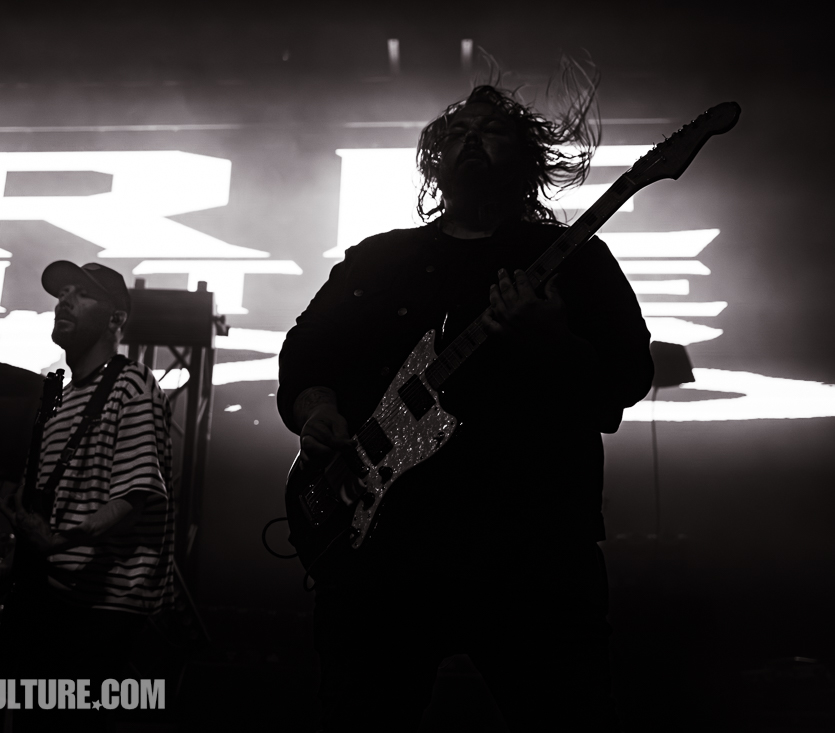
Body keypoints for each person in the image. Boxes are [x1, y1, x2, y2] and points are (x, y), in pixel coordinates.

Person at [277, 80, 654, 731]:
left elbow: (624, 380)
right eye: (456, 132)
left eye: (491, 130)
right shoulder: (380, 258)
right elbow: (308, 351)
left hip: (532, 551)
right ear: (433, 161)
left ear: (527, 157)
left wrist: (553, 340)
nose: (471, 140)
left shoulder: (575, 259)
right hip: (386, 552)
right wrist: (316, 409)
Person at [0, 262, 177, 714]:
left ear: (115, 319)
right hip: (55, 597)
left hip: (104, 609)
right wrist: (16, 567)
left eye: (81, 294)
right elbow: (56, 506)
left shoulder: (132, 384)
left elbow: (134, 495)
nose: (63, 301)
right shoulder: (60, 400)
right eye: (61, 293)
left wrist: (56, 542)